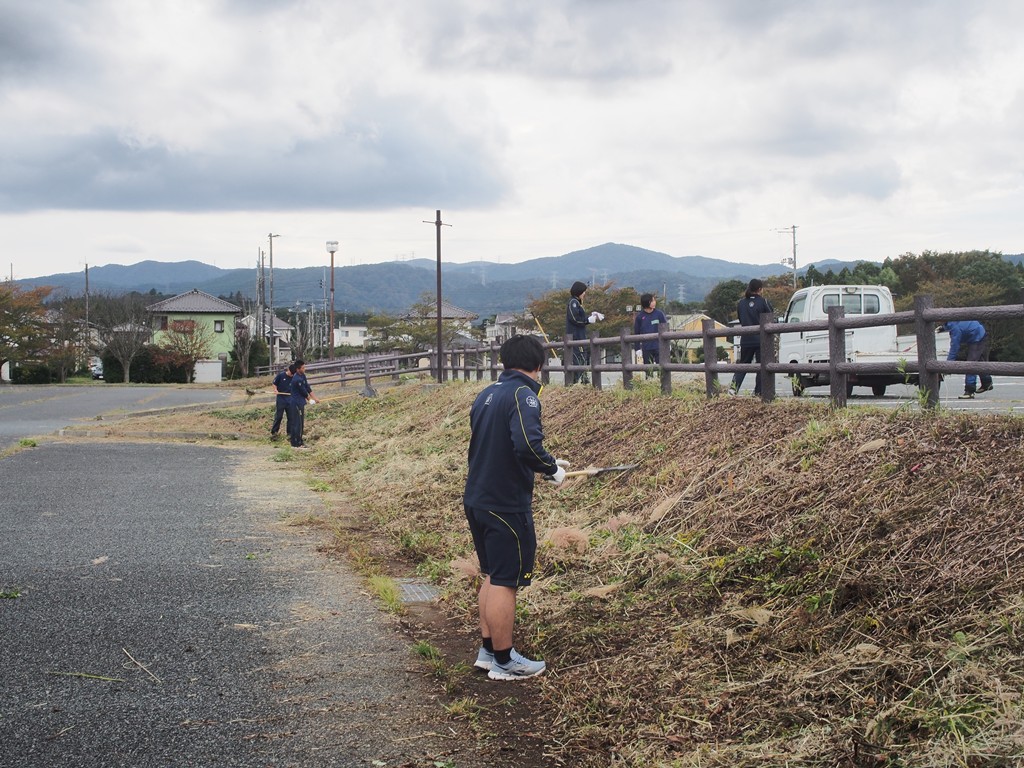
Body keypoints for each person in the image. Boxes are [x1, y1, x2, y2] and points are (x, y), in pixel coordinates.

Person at [463, 334, 568, 681]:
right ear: (538, 365)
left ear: (505, 361)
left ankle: (488, 652)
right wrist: (551, 468)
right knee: (506, 581)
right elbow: (526, 445)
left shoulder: (487, 394)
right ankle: (505, 662)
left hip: (478, 497)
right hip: (505, 503)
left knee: (494, 575)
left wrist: (545, 464)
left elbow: (503, 445)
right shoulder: (524, 395)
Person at [729, 279, 773, 396]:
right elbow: (770, 319)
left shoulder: (741, 303)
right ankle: (758, 392)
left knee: (743, 364)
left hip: (746, 339)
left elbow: (741, 319)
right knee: (762, 366)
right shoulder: (763, 302)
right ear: (760, 289)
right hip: (761, 339)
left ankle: (733, 388)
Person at [565, 281, 603, 384]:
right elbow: (574, 319)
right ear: (579, 292)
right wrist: (587, 320)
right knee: (579, 358)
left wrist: (591, 317)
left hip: (579, 335)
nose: (584, 294)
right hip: (576, 336)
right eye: (583, 292)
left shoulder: (577, 302)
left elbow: (579, 318)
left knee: (582, 357)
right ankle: (576, 382)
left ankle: (583, 380)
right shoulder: (573, 302)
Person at [945, 320, 994, 399]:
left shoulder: (955, 329)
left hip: (978, 337)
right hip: (977, 332)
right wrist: (943, 328)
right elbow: (951, 325)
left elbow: (954, 347)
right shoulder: (951, 322)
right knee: (978, 360)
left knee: (971, 363)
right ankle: (987, 383)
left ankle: (970, 390)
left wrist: (948, 364)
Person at [633, 292, 668, 375]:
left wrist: (668, 343)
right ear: (647, 302)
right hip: (646, 347)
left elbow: (666, 329)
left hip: (659, 346)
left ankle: (662, 382)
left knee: (662, 369)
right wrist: (637, 348)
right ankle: (649, 381)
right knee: (648, 371)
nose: (654, 302)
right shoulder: (640, 317)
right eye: (652, 301)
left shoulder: (659, 314)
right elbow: (636, 333)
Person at [288, 359, 317, 449]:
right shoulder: (297, 379)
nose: (305, 369)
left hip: (300, 402)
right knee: (298, 423)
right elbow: (303, 391)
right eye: (303, 368)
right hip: (296, 403)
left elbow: (307, 387)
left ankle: (295, 442)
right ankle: (297, 443)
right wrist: (310, 399)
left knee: (298, 422)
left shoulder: (302, 375)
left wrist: (315, 398)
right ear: (298, 369)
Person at [269, 363, 294, 439]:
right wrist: (275, 390)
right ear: (288, 370)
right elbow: (274, 384)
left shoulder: (294, 377)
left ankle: (290, 434)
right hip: (281, 398)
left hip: (290, 398)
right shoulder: (281, 375)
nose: (291, 375)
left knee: (291, 417)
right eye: (291, 373)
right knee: (278, 416)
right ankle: (274, 433)